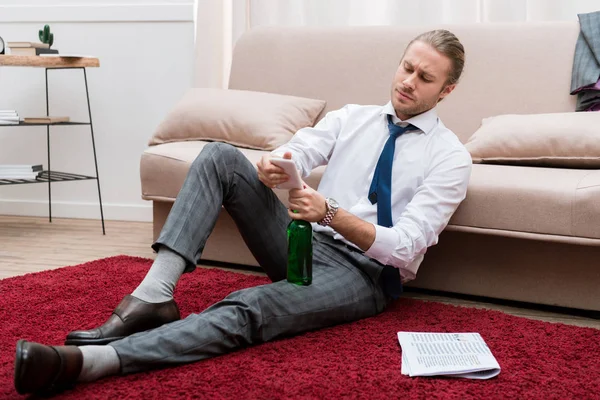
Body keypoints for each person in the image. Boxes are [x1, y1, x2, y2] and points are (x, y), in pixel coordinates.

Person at [13, 29, 472, 395]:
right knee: (219, 156)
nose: (408, 81)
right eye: (406, 67)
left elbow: (407, 246)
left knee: (251, 307)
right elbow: (302, 150)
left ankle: (92, 364)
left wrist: (330, 213)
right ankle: (155, 295)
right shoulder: (354, 117)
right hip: (303, 242)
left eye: (425, 78)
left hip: (362, 273)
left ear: (446, 90)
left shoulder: (450, 157)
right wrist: (278, 162)